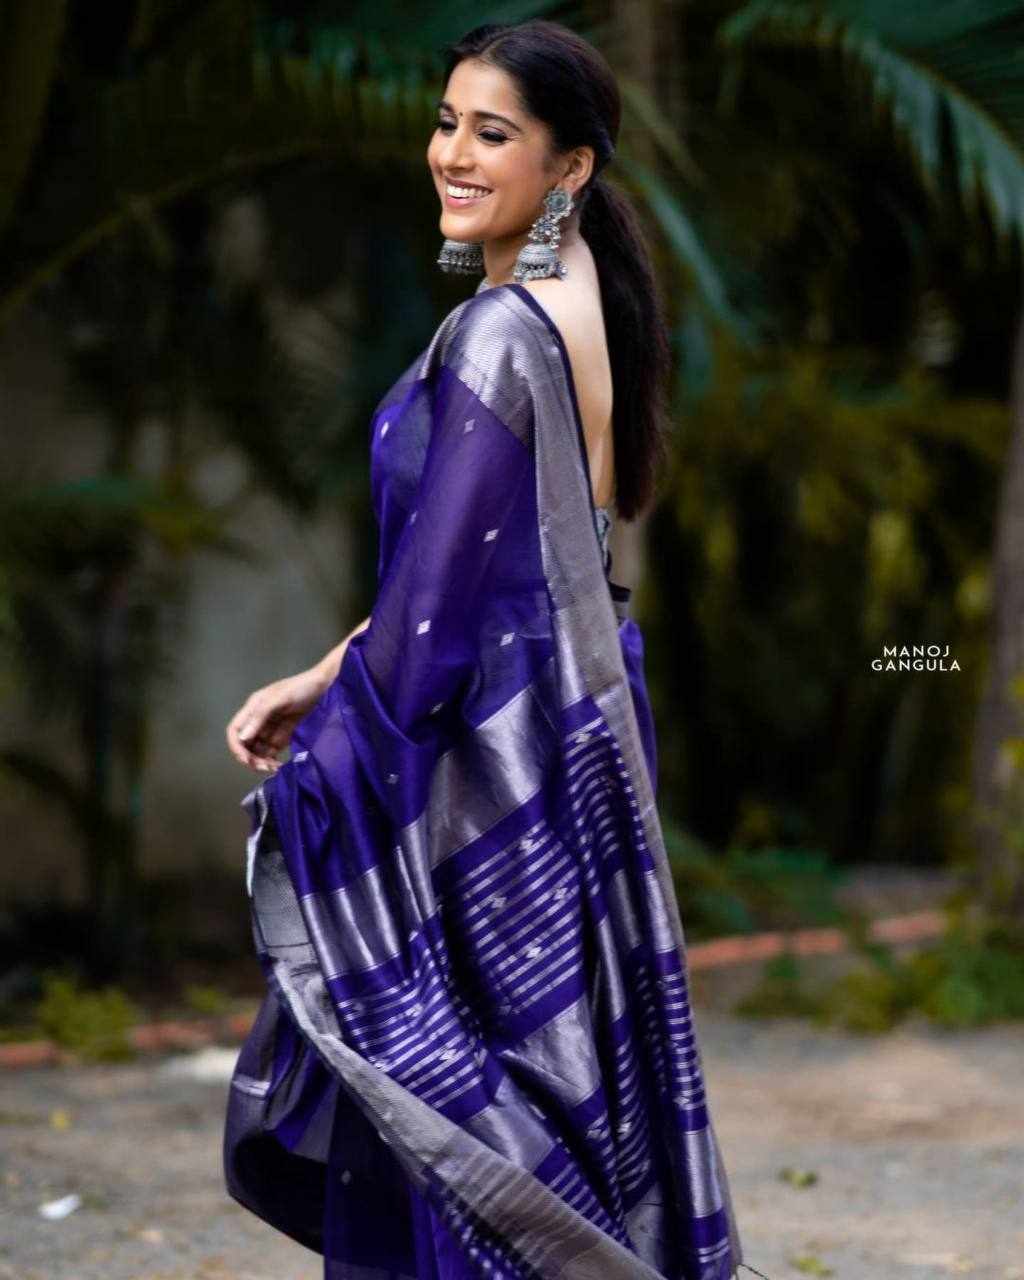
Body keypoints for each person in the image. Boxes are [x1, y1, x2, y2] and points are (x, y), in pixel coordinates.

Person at [223, 19, 767, 1280]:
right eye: (446, 122)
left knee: (474, 1092)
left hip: (492, 753)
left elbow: (441, 610)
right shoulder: (572, 303)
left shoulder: (504, 330)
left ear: (568, 168)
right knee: (559, 1071)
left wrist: (338, 759)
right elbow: (488, 566)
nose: (452, 154)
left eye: (493, 132)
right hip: (567, 723)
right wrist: (322, 675)